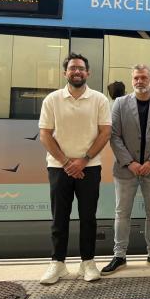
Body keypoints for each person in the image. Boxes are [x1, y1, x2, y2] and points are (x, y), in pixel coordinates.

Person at [38, 53, 111, 284]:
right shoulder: (52, 99)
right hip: (59, 167)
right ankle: (57, 264)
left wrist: (84, 160)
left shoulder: (99, 99)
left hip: (90, 167)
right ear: (65, 73)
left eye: (81, 68)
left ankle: (87, 263)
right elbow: (45, 134)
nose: (77, 72)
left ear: (87, 73)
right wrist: (67, 162)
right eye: (72, 68)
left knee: (88, 216)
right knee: (59, 216)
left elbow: (105, 132)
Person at [102, 64, 150, 275]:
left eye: (143, 77)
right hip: (126, 170)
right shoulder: (120, 104)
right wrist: (130, 162)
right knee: (122, 213)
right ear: (132, 80)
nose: (139, 81)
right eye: (136, 78)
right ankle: (119, 255)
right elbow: (114, 135)